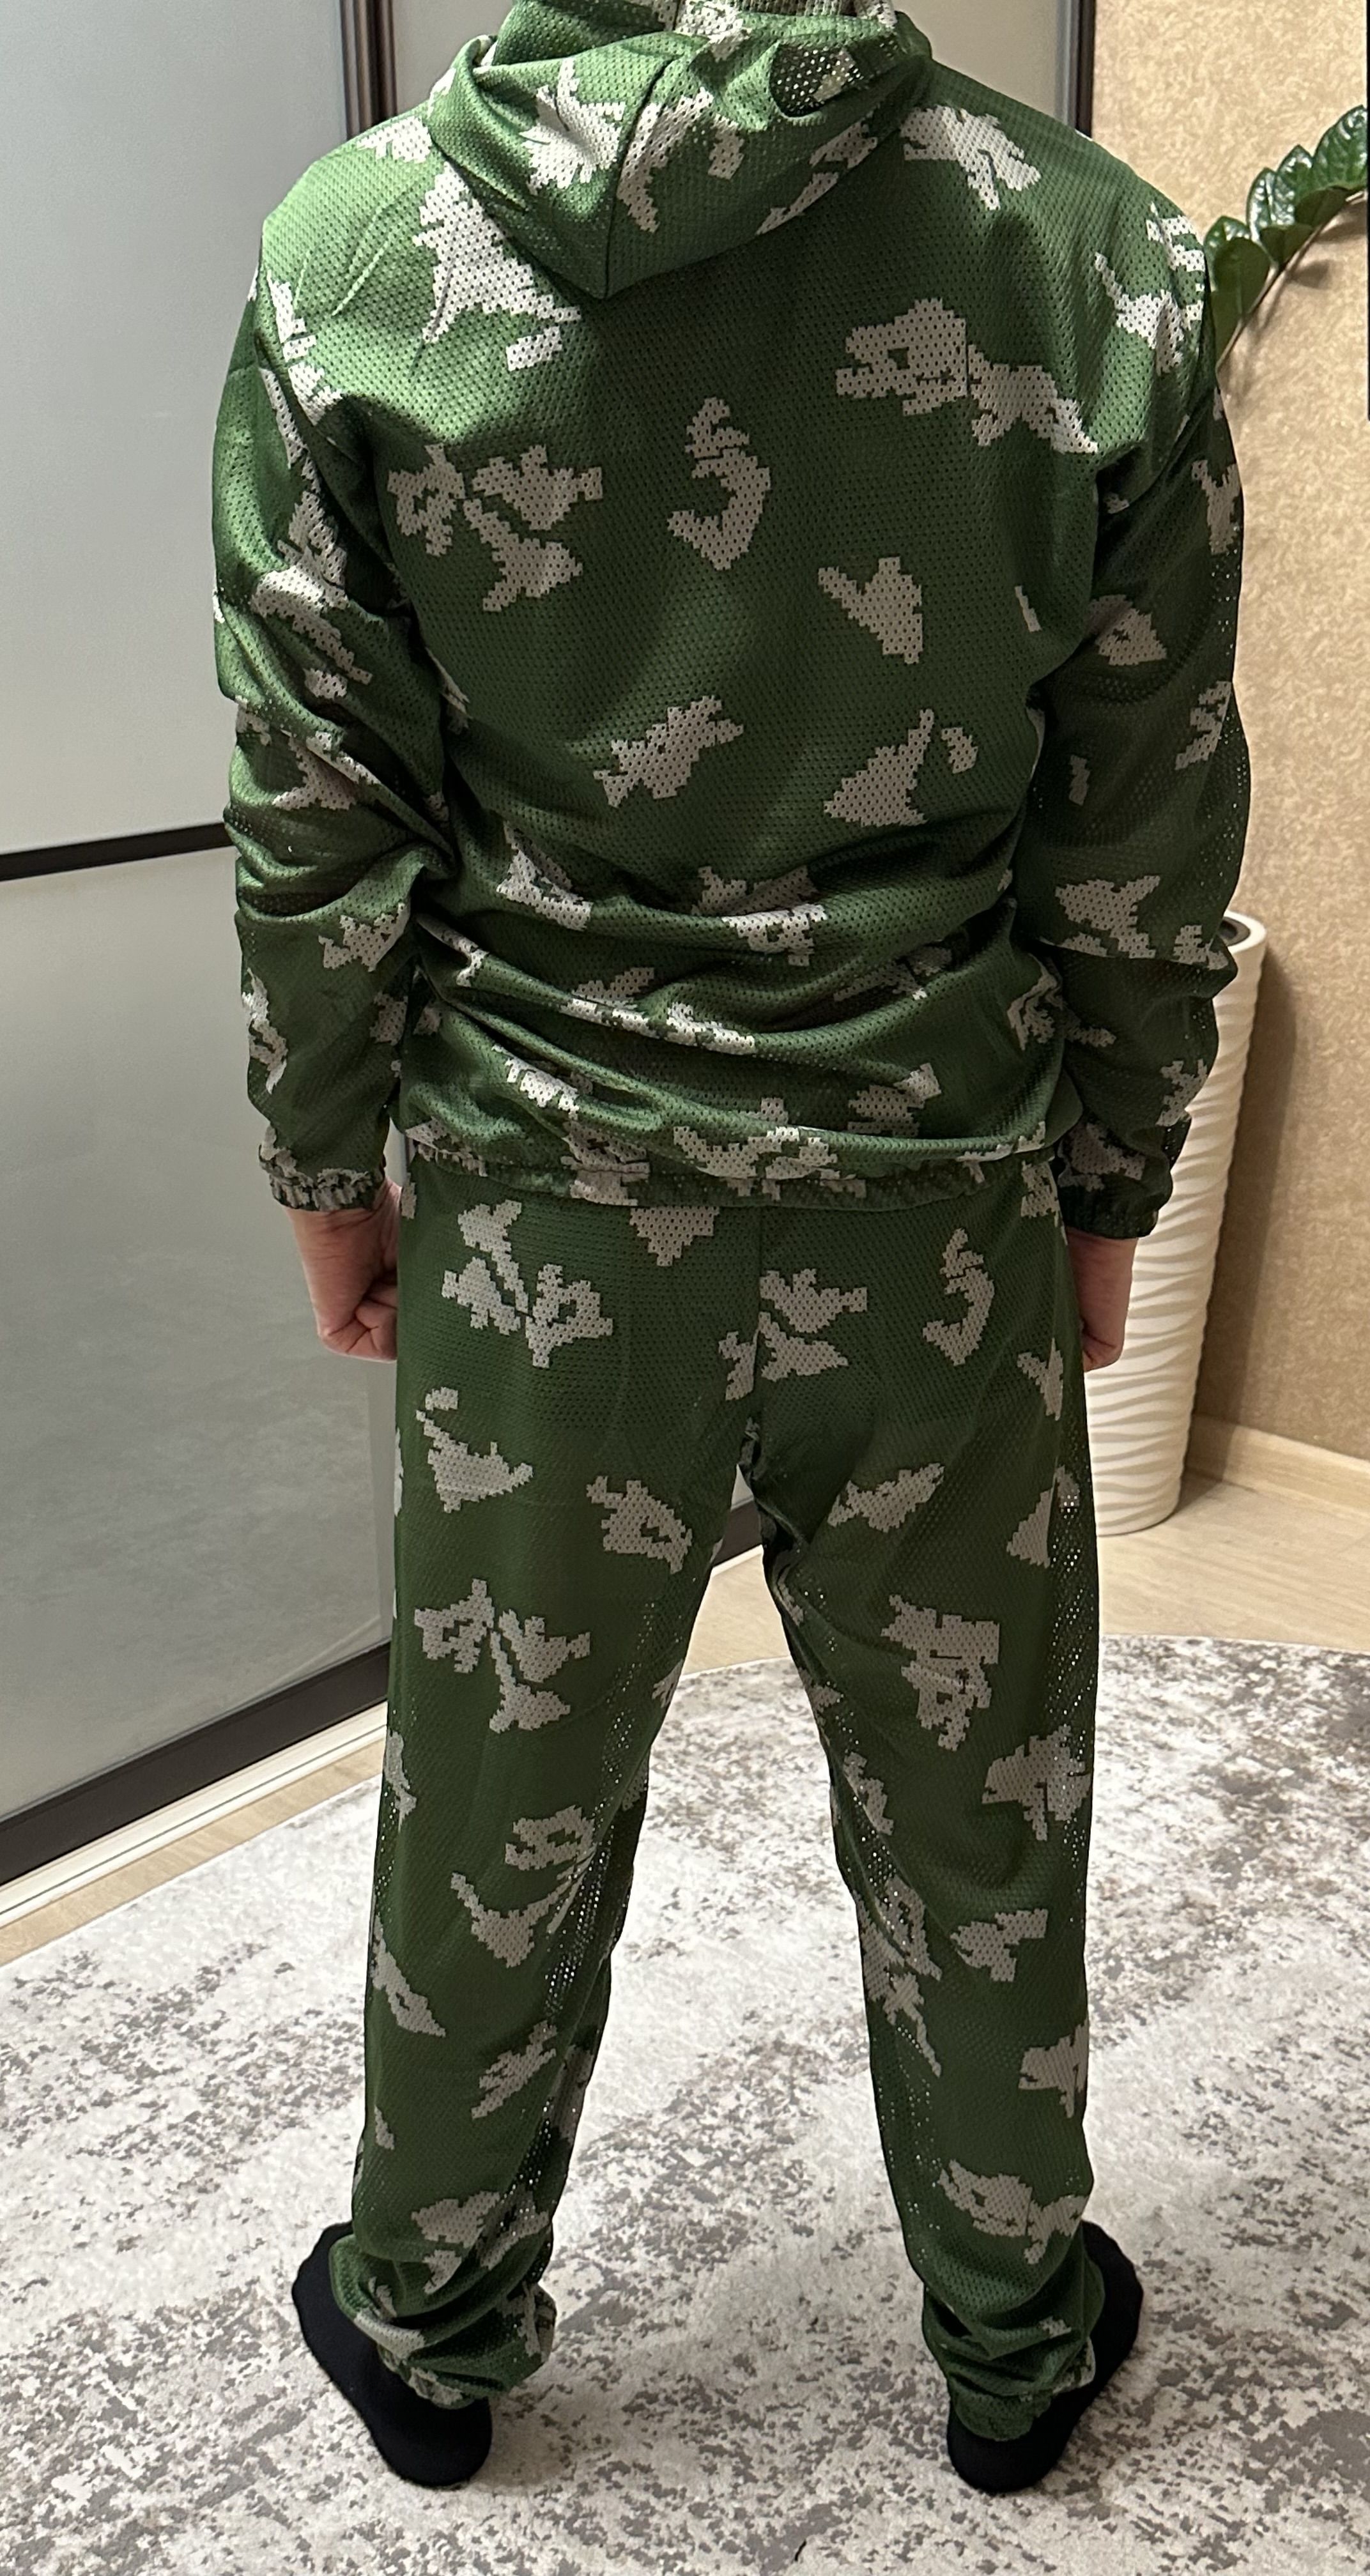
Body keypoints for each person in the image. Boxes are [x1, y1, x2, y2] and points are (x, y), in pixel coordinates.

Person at [210, 0, 1249, 2497]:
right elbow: (1144, 818)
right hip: (936, 1199)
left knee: (498, 1787)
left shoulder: (351, 256)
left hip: (545, 1215)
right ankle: (1013, 2338)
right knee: (979, 1802)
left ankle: (429, 2325)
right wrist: (1108, 1184)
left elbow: (314, 801)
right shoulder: (1088, 253)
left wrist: (331, 1168)